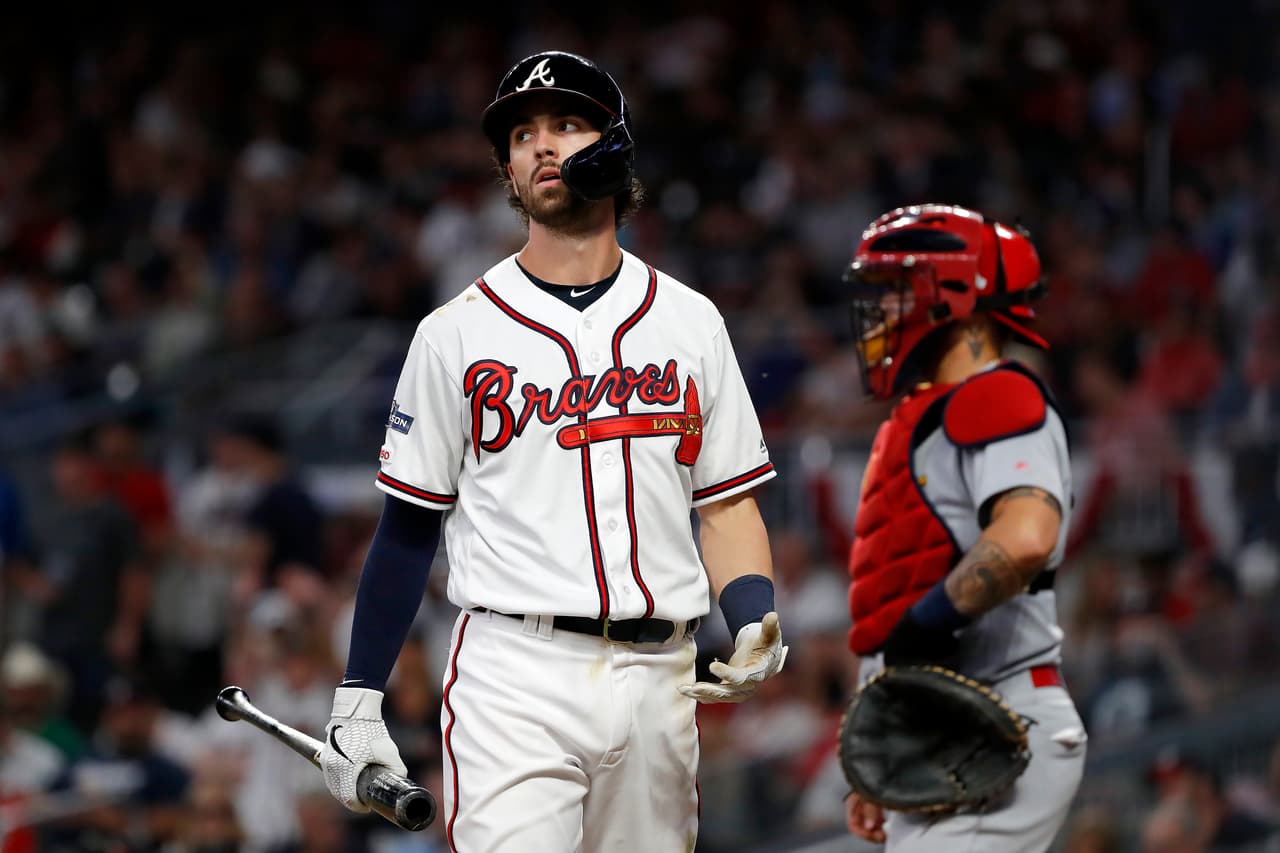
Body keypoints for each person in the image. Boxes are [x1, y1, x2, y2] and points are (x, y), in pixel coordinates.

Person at [318, 50, 788, 851]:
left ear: (617, 146)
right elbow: (407, 528)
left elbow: (726, 501)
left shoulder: (690, 321)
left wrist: (751, 616)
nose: (540, 144)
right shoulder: (455, 333)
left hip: (661, 677)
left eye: (567, 124)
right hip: (515, 672)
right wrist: (359, 696)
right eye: (521, 134)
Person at [840, 204, 1086, 851]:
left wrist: (927, 623)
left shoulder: (998, 394)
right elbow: (897, 592)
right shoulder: (923, 416)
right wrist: (884, 744)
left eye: (897, 289)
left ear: (957, 298)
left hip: (999, 725)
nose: (882, 309)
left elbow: (1026, 536)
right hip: (941, 733)